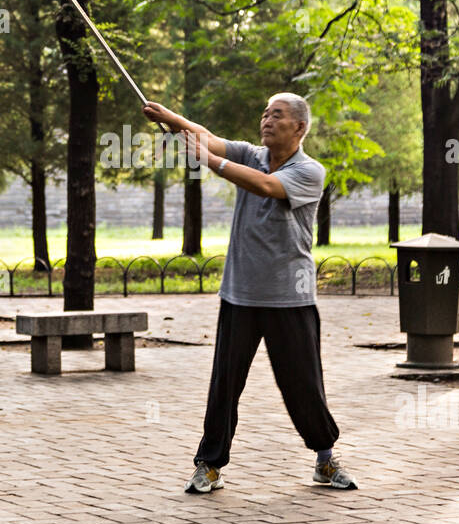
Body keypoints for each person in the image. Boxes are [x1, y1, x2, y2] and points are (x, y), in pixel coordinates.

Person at [141, 94, 357, 493]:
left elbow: (264, 185)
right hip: (239, 294)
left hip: (290, 297)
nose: (267, 120)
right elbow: (206, 136)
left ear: (300, 128)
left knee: (303, 385)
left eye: (278, 115)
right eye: (265, 113)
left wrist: (208, 160)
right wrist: (168, 116)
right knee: (225, 383)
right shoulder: (250, 153)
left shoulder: (309, 171)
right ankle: (209, 465)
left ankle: (325, 460)